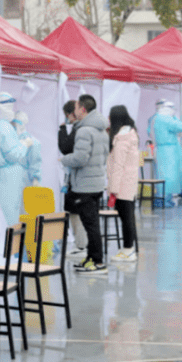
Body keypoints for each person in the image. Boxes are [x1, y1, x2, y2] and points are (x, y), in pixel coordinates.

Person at [60, 94, 109, 274]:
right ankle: (92, 258)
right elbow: (103, 156)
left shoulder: (84, 131)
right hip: (96, 183)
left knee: (91, 225)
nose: (73, 112)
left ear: (82, 109)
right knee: (92, 224)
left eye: (75, 108)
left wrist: (63, 159)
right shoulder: (101, 130)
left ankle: (97, 262)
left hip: (85, 186)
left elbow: (80, 158)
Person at [0, 93, 37, 225]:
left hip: (9, 178)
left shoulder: (3, 126)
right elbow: (13, 154)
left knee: (11, 212)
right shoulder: (4, 127)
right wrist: (24, 144)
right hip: (9, 179)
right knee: (9, 216)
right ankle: (9, 245)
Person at [106, 106, 139, 263]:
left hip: (121, 185)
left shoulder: (121, 139)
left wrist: (113, 189)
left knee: (126, 217)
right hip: (128, 183)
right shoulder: (130, 134)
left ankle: (128, 250)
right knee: (128, 217)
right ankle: (128, 249)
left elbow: (118, 166)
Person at [58, 100, 87, 257]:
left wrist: (62, 129)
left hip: (78, 178)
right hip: (83, 178)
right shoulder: (86, 128)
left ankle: (81, 245)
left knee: (75, 212)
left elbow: (66, 148)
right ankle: (82, 244)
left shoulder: (79, 130)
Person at [151, 99, 182, 206]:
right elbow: (179, 127)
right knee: (168, 175)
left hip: (166, 149)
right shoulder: (165, 118)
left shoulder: (160, 118)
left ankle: (165, 198)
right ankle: (164, 199)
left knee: (167, 174)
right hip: (168, 150)